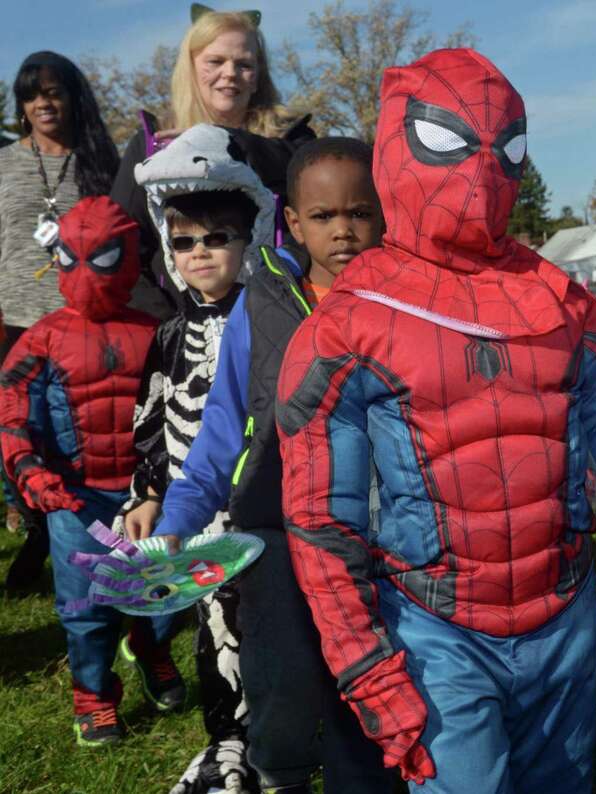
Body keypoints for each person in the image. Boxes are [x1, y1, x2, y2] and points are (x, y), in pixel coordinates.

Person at [276, 48, 596, 793]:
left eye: (507, 146)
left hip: (560, 620)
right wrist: (367, 667)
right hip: (435, 634)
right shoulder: (347, 325)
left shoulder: (560, 303)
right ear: (406, 142)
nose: (483, 168)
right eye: (453, 141)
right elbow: (320, 520)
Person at [139, 136, 392, 794]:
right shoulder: (264, 304)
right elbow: (223, 424)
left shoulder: (408, 304)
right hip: (277, 532)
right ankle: (278, 778)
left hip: (381, 541)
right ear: (293, 223)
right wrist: (178, 516)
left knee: (360, 698)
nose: (343, 230)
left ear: (385, 214)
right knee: (279, 694)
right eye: (324, 216)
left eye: (361, 212)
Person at [117, 122, 278, 791]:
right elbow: (151, 421)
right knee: (214, 629)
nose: (201, 253)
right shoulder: (171, 335)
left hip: (263, 501)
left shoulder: (270, 316)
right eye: (185, 242)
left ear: (249, 240)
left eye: (218, 238)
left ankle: (280, 732)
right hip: (194, 505)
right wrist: (146, 492)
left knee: (263, 624)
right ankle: (229, 742)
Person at [0, 196, 175, 746]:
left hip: (146, 494)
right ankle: (94, 697)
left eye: (101, 258)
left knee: (162, 594)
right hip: (73, 498)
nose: (86, 274)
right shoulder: (42, 337)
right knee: (85, 606)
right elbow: (10, 410)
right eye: (72, 258)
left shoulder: (158, 332)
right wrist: (28, 475)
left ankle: (151, 649)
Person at [0, 51, 121, 589]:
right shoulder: (4, 164)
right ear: (21, 106)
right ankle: (27, 516)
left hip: (79, 320)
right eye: (31, 94)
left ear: (73, 97)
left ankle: (59, 528)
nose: (43, 103)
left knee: (70, 436)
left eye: (53, 91)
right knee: (16, 429)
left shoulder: (99, 160)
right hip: (14, 317)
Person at [110, 5, 314, 320]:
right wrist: (165, 323)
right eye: (215, 61)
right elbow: (123, 248)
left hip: (275, 321)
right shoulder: (152, 144)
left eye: (244, 63)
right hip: (180, 321)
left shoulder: (292, 138)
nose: (230, 73)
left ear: (258, 76)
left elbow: (312, 194)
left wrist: (225, 140)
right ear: (191, 69)